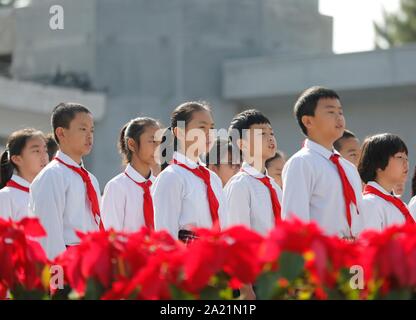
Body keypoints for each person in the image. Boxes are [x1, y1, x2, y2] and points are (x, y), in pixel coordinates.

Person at [282, 86, 364, 239]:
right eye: (331, 112)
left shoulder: (349, 168)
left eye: (340, 112)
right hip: (322, 257)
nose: (339, 117)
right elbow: (295, 224)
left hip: (350, 257)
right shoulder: (301, 163)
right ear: (308, 121)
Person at [29, 102, 101, 259]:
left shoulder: (91, 179)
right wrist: (58, 279)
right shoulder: (51, 176)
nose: (89, 136)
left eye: (92, 130)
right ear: (61, 133)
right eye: (83, 129)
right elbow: (49, 234)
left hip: (91, 259)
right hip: (67, 261)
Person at [152, 101, 227, 243]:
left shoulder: (213, 178)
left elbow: (224, 226)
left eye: (211, 128)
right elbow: (166, 235)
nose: (209, 134)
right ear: (179, 132)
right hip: (187, 258)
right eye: (201, 127)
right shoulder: (171, 177)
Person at [101, 117, 161, 232]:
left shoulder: (160, 186)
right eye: (152, 141)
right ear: (132, 144)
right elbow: (111, 236)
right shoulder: (116, 187)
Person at [358, 133, 414, 231]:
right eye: (400, 157)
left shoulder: (399, 204)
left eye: (406, 158)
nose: (406, 163)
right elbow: (371, 244)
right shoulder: (369, 203)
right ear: (378, 164)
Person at [0, 128, 48, 220]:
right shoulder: (5, 197)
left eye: (45, 151)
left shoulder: (47, 196)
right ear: (17, 159)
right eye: (36, 151)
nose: (44, 156)